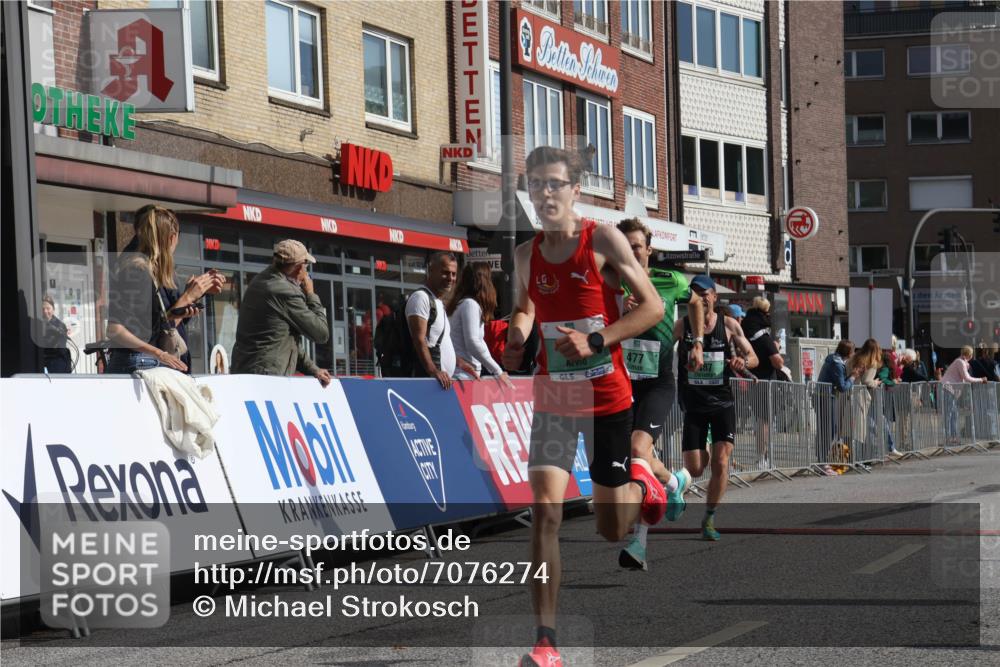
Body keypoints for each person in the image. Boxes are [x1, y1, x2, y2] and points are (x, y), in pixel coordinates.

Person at [502, 146, 665, 667]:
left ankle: (643, 481)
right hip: (556, 394)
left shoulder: (602, 240)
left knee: (611, 528)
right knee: (545, 512)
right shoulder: (526, 255)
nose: (545, 194)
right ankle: (546, 642)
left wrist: (597, 341)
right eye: (536, 185)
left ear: (575, 190)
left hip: (607, 396)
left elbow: (652, 307)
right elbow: (525, 307)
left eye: (555, 184)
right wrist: (517, 336)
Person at [615, 217, 704, 570]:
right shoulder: (614, 284)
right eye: (624, 247)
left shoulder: (671, 280)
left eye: (636, 247)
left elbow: (696, 303)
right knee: (635, 459)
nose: (631, 253)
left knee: (638, 450)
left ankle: (638, 543)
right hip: (622, 382)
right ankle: (674, 480)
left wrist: (695, 343)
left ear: (648, 250)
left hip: (657, 382)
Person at [674, 275, 757, 541]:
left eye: (705, 293)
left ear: (714, 297)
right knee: (697, 468)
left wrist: (744, 363)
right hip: (694, 404)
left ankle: (709, 517)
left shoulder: (729, 325)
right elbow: (661, 347)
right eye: (695, 293)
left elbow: (754, 357)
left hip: (722, 403)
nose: (701, 297)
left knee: (721, 462)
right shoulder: (681, 326)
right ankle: (681, 485)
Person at [107, 205, 222, 374]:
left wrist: (191, 297)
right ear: (171, 238)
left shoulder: (148, 270)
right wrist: (159, 353)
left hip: (144, 362)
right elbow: (115, 329)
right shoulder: (137, 270)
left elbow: (157, 327)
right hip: (141, 363)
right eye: (178, 236)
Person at [230, 239, 331, 387]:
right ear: (299, 268)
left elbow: (283, 340)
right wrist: (311, 294)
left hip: (250, 372)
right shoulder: (285, 292)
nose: (306, 272)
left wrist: (314, 369)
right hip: (266, 379)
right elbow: (321, 333)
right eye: (306, 266)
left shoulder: (260, 281)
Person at [406, 252, 465, 390]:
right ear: (431, 271)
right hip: (428, 384)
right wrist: (434, 371)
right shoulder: (421, 298)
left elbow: (437, 340)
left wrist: (458, 362)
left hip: (441, 384)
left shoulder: (437, 301)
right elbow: (419, 340)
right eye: (445, 273)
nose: (450, 278)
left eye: (454, 274)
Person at [447, 262, 511, 385]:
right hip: (463, 375)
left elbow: (477, 342)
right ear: (484, 281)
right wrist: (497, 371)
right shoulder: (470, 304)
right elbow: (473, 342)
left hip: (463, 372)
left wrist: (495, 368)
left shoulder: (461, 304)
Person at [741, 296, 783, 468]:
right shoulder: (763, 336)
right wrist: (777, 348)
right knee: (765, 421)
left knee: (758, 420)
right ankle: (763, 457)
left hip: (751, 379)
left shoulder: (745, 331)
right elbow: (777, 362)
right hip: (765, 381)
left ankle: (761, 456)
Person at [816, 340, 862, 475]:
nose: (853, 354)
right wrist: (853, 377)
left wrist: (850, 376)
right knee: (828, 430)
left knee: (829, 429)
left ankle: (822, 461)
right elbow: (842, 387)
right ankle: (823, 463)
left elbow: (839, 382)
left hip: (824, 396)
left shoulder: (834, 360)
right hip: (826, 397)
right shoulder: (837, 364)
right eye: (853, 351)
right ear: (848, 352)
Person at [941, 345, 987, 445]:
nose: (972, 356)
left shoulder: (962, 362)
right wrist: (981, 380)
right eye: (971, 354)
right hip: (948, 389)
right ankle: (948, 438)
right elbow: (966, 378)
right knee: (949, 415)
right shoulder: (960, 362)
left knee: (953, 415)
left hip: (951, 390)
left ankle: (953, 437)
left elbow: (964, 377)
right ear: (969, 354)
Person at [36, 295, 73, 373]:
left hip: (56, 362)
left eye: (48, 308)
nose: (45, 311)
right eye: (43, 309)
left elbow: (61, 348)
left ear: (53, 309)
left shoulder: (60, 325)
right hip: (41, 361)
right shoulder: (37, 323)